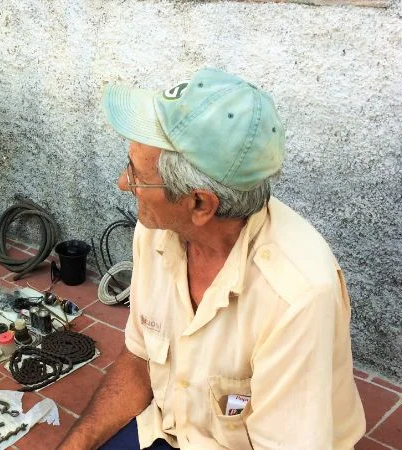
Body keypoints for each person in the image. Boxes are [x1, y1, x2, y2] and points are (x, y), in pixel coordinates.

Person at [60, 68, 365, 449]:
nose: (124, 184)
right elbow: (139, 359)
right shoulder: (156, 231)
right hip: (168, 430)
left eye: (137, 176)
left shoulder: (298, 295)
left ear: (200, 204)